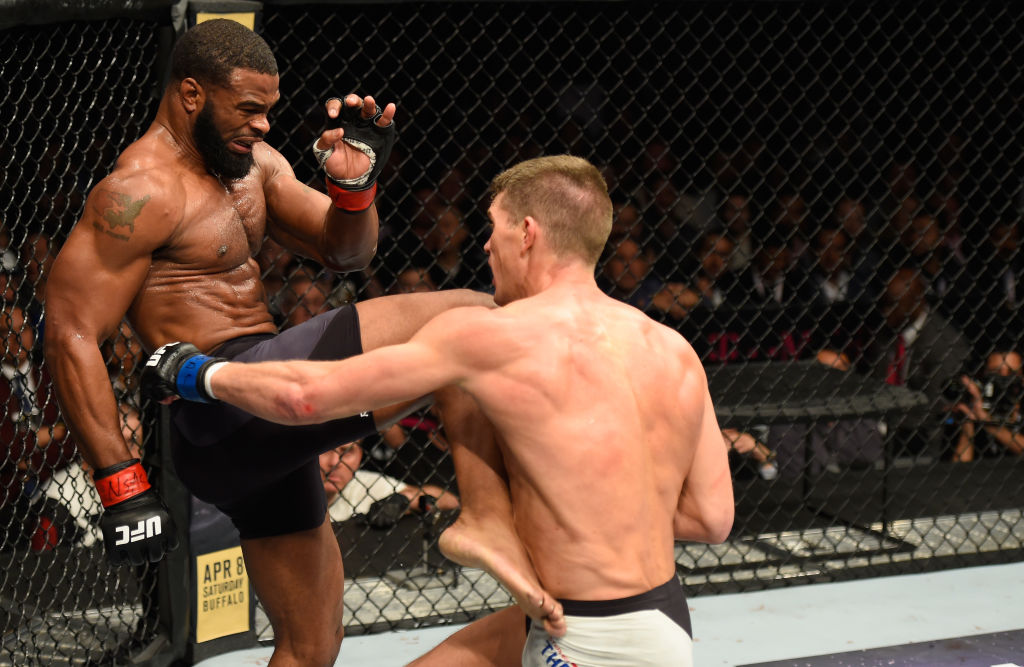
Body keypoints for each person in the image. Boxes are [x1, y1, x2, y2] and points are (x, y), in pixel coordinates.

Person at [144, 155, 735, 666]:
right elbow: (713, 519)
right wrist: (585, 518)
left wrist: (197, 373)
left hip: (581, 638)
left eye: (494, 228)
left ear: (528, 232)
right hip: (661, 622)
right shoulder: (674, 350)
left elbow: (306, 397)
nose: (484, 244)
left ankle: (486, 519)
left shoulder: (489, 337)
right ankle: (485, 519)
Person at [42, 18, 496, 666]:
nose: (263, 126)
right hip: (217, 403)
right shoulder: (139, 191)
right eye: (248, 109)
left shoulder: (256, 168)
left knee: (312, 645)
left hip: (265, 415)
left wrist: (355, 186)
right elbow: (71, 331)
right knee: (476, 312)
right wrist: (121, 481)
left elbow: (346, 252)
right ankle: (487, 518)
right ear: (192, 94)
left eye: (270, 111)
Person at [951, 350, 1024, 462]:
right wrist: (968, 423)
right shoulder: (974, 404)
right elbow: (958, 471)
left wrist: (986, 421)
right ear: (984, 374)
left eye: (1011, 372)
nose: (1003, 379)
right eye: (996, 372)